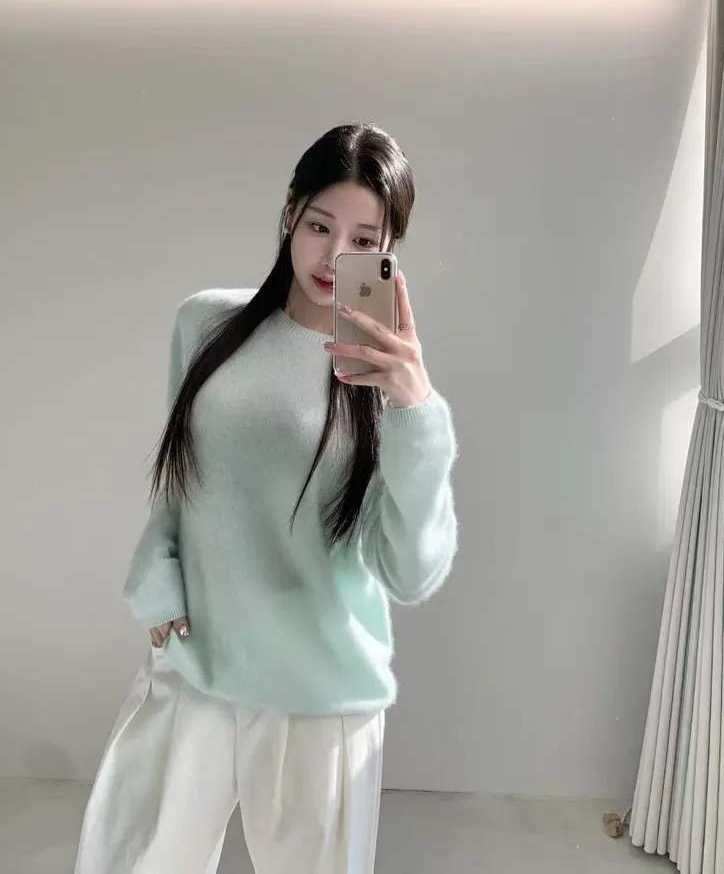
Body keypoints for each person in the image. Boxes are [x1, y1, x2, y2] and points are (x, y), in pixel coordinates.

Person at [74, 123, 458, 874]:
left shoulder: (383, 383)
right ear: (289, 210)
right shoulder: (205, 325)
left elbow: (412, 572)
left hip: (320, 694)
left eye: (363, 240)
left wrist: (416, 410)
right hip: (196, 665)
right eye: (319, 226)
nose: (333, 256)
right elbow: (180, 480)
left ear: (389, 250)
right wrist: (156, 578)